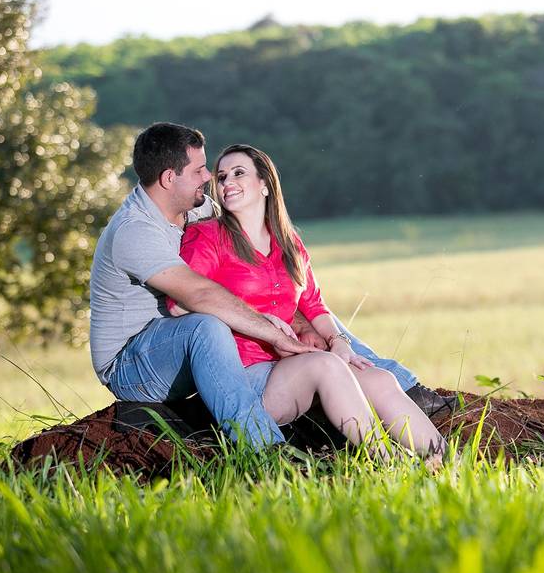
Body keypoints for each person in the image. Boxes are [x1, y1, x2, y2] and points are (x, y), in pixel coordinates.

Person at [89, 122, 451, 451]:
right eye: (203, 171)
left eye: (227, 173)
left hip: (234, 351)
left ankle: (429, 435)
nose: (213, 179)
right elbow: (192, 300)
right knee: (210, 324)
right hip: (135, 360)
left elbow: (307, 301)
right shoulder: (140, 230)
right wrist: (271, 329)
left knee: (368, 370)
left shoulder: (202, 210)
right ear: (169, 178)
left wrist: (327, 338)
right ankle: (264, 448)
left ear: (264, 184)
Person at [170, 144, 446, 458]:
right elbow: (179, 304)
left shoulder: (289, 243)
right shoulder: (208, 237)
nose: (226, 182)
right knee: (325, 365)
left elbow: (314, 305)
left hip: (291, 367)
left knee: (379, 378)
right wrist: (257, 319)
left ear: (264, 184)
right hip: (245, 382)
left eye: (238, 173)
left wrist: (339, 341)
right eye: (221, 176)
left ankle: (443, 461)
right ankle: (385, 461)